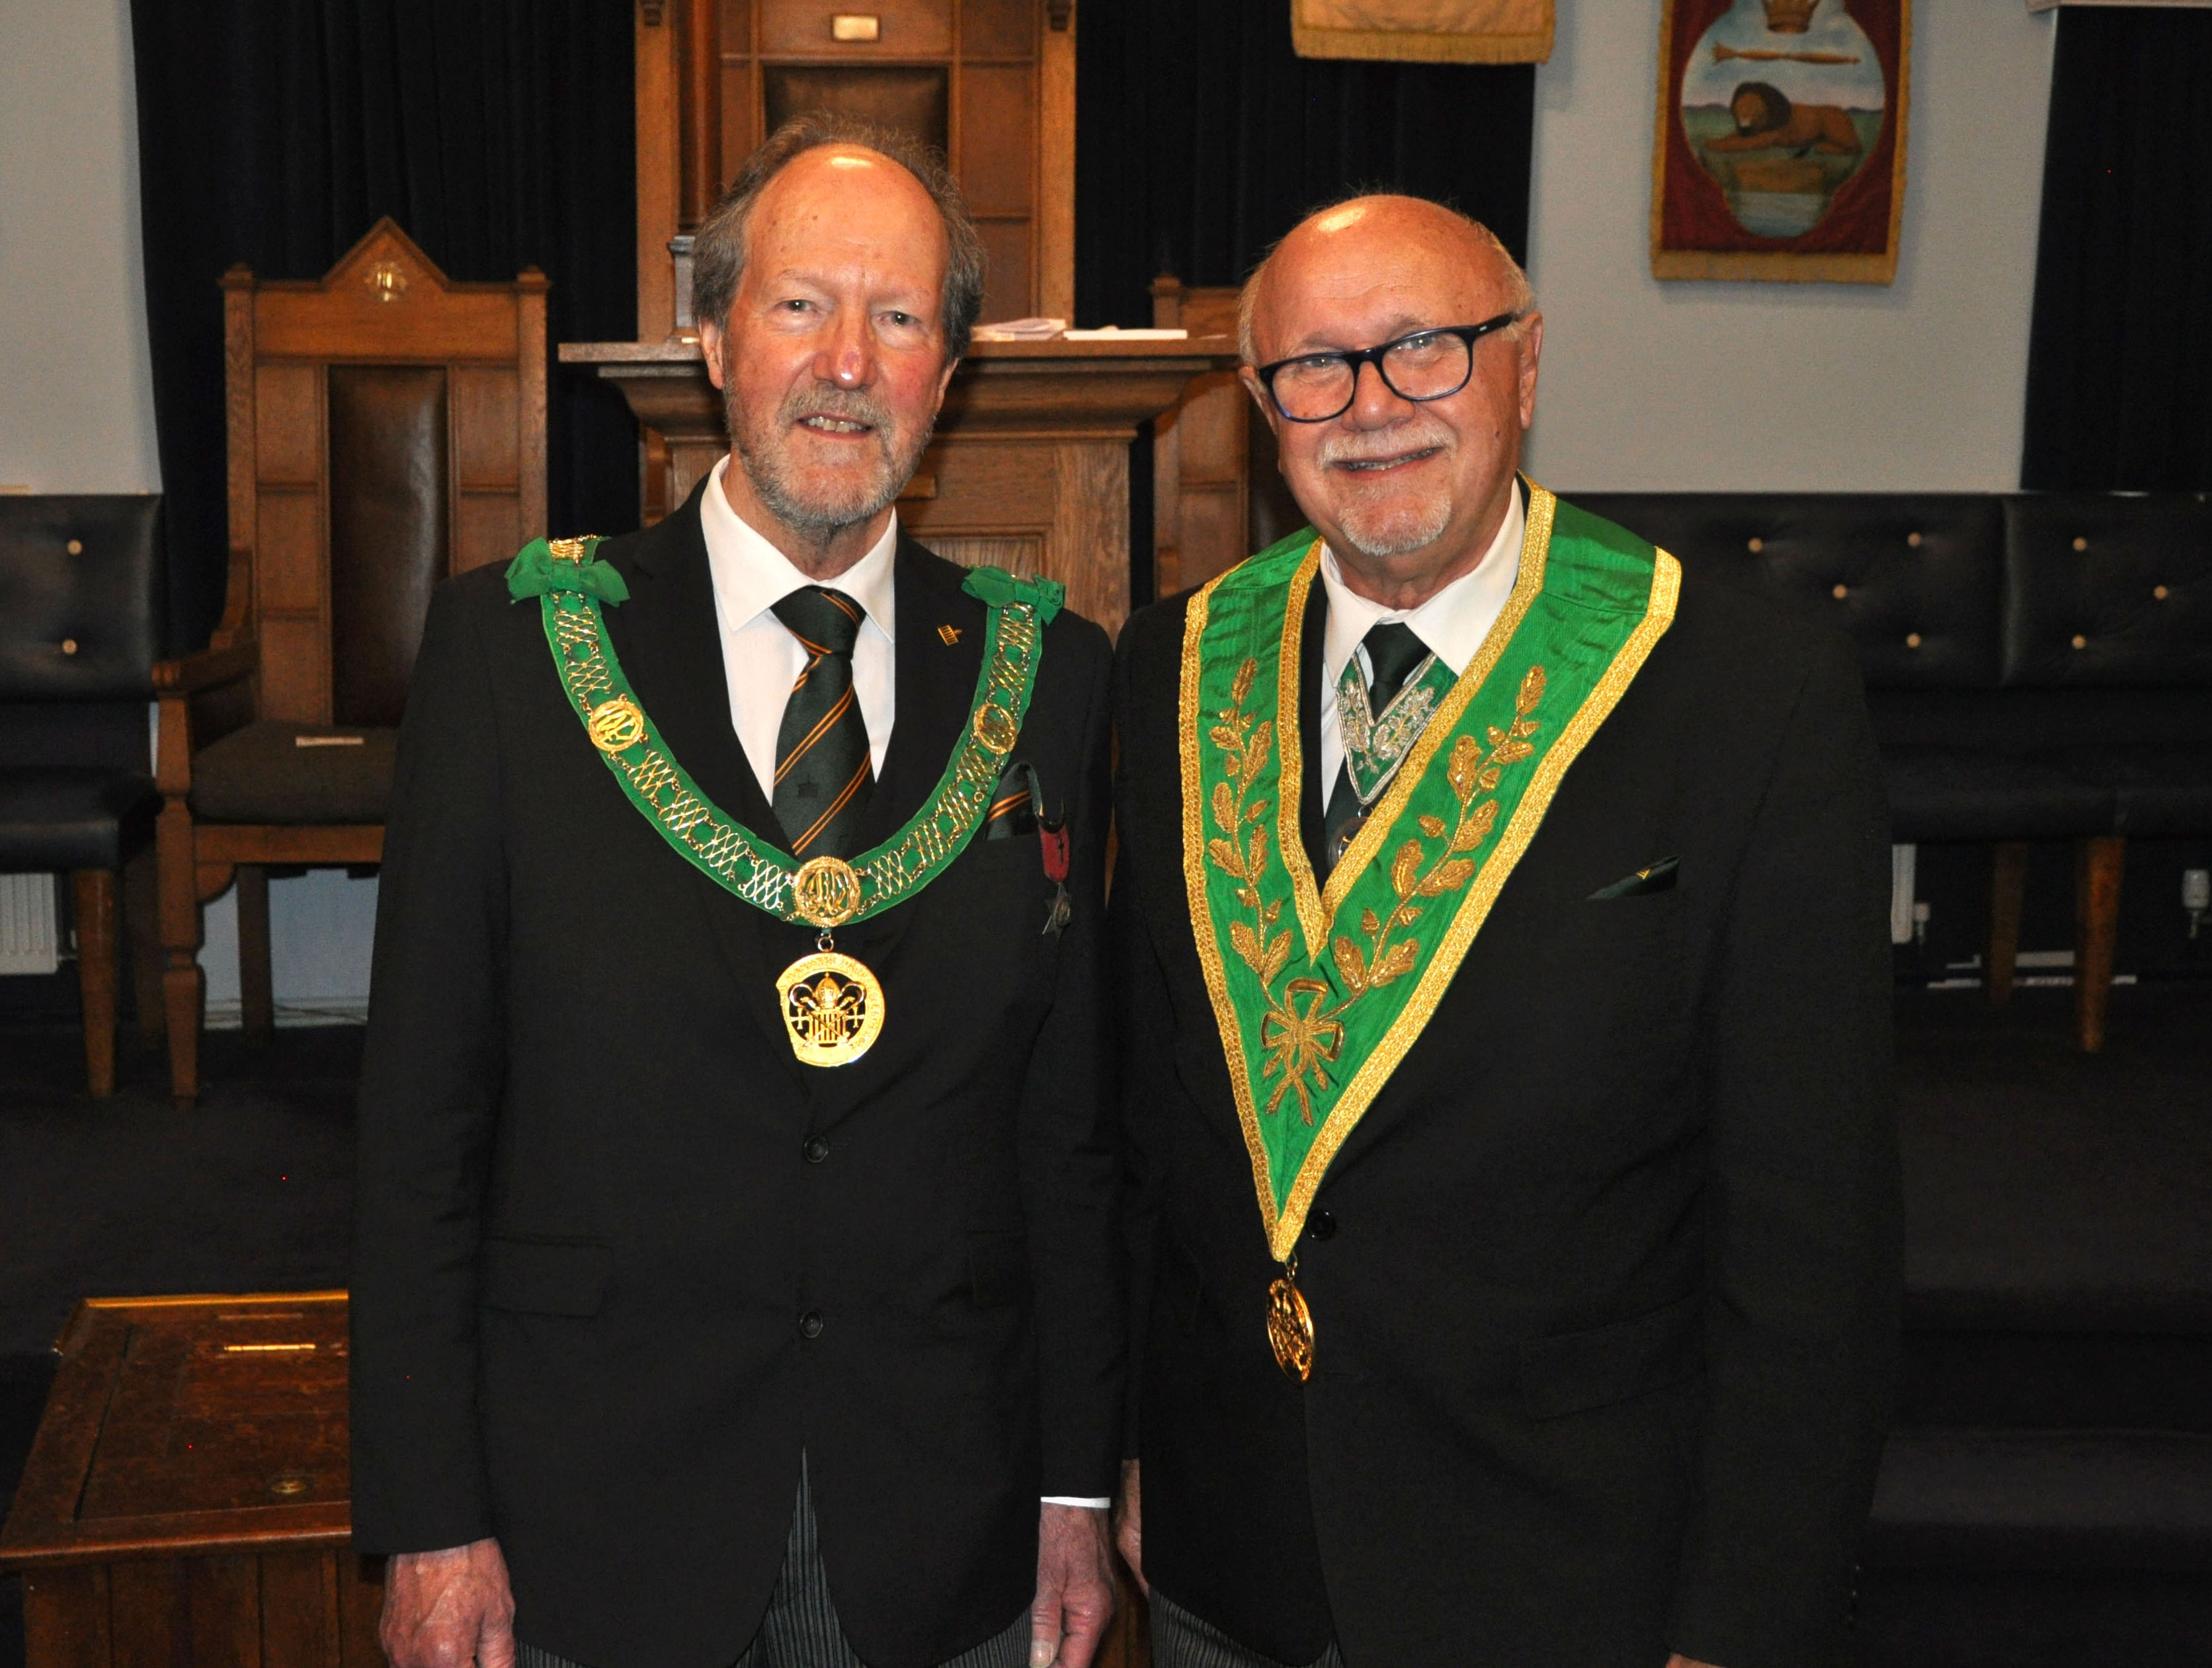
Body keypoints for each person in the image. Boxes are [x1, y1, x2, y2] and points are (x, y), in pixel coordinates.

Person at [350, 115, 1121, 1668]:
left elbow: (1071, 1121)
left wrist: (1070, 1479)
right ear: (711, 337)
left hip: (941, 1515)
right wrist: (429, 1514)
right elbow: (420, 1125)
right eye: (797, 305)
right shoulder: (513, 656)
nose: (847, 360)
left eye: (898, 317)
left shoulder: (1052, 677)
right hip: (589, 1510)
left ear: (947, 371)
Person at [1108, 194, 1900, 1667]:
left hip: (1559, 1564)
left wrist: (1744, 1618)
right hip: (1233, 1548)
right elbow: (1149, 1121)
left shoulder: (1742, 694)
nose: (1369, 409)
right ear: (1257, 406)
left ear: (1524, 364)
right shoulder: (1171, 666)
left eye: (1423, 350)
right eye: (1315, 368)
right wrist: (1135, 1451)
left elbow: (1812, 1231)